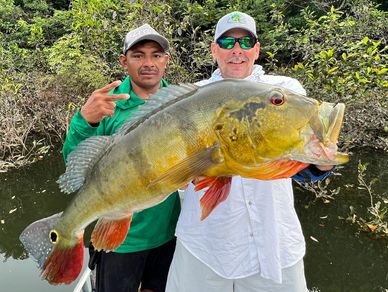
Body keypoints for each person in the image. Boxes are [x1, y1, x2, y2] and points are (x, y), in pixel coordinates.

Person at [166, 11, 335, 292]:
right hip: (205, 245)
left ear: (257, 50)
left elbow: (303, 163)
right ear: (214, 50)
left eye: (246, 43)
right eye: (227, 42)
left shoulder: (284, 92)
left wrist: (322, 163)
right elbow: (175, 161)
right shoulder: (191, 96)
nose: (237, 51)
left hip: (276, 243)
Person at [62, 24, 180, 292]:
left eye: (156, 54)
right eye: (138, 55)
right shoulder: (107, 105)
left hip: (169, 234)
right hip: (119, 239)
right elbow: (73, 165)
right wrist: (84, 121)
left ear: (166, 60)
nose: (148, 63)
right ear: (124, 62)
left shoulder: (181, 103)